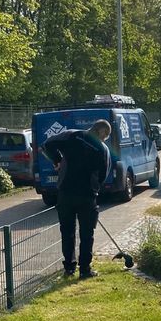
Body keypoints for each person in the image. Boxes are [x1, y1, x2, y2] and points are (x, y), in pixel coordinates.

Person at [41, 119, 112, 279]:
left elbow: (47, 145)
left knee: (67, 232)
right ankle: (85, 269)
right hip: (87, 195)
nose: (105, 138)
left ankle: (69, 268)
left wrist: (57, 160)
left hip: (65, 193)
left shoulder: (71, 135)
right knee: (87, 233)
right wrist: (94, 188)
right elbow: (103, 174)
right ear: (101, 132)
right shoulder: (103, 148)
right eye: (106, 135)